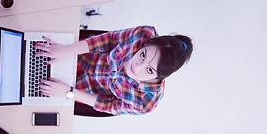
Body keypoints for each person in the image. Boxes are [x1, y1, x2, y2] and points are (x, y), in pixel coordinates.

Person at [34, 26, 193, 117]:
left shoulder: (146, 101)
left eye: (149, 70)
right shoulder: (144, 34)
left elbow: (108, 105)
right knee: (35, 49)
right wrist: (66, 50)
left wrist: (68, 92)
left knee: (32, 90)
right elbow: (109, 39)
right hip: (81, 55)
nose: (136, 67)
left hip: (79, 88)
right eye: (143, 55)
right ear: (145, 45)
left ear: (160, 77)